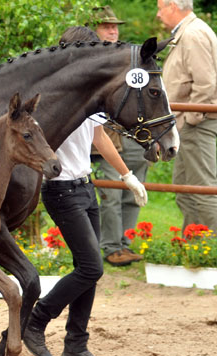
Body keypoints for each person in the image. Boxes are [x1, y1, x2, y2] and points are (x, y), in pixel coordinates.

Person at [15, 26, 148, 356]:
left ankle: (76, 345)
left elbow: (99, 137)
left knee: (88, 270)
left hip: (85, 186)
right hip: (61, 189)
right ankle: (35, 322)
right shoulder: (51, 96)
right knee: (92, 266)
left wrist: (127, 175)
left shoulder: (90, 94)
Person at [157, 0, 217, 241]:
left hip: (197, 122)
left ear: (172, 6)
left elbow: (206, 82)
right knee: (184, 190)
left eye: (160, 8)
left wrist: (191, 118)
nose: (158, 14)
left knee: (202, 189)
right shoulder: (189, 31)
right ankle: (195, 247)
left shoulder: (193, 33)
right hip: (191, 123)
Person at [91, 5, 147, 266]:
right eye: (106, 26)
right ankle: (111, 247)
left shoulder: (129, 55)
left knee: (135, 189)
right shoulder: (88, 58)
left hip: (133, 132)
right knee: (111, 193)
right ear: (93, 29)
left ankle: (126, 243)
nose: (113, 30)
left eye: (115, 26)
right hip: (106, 134)